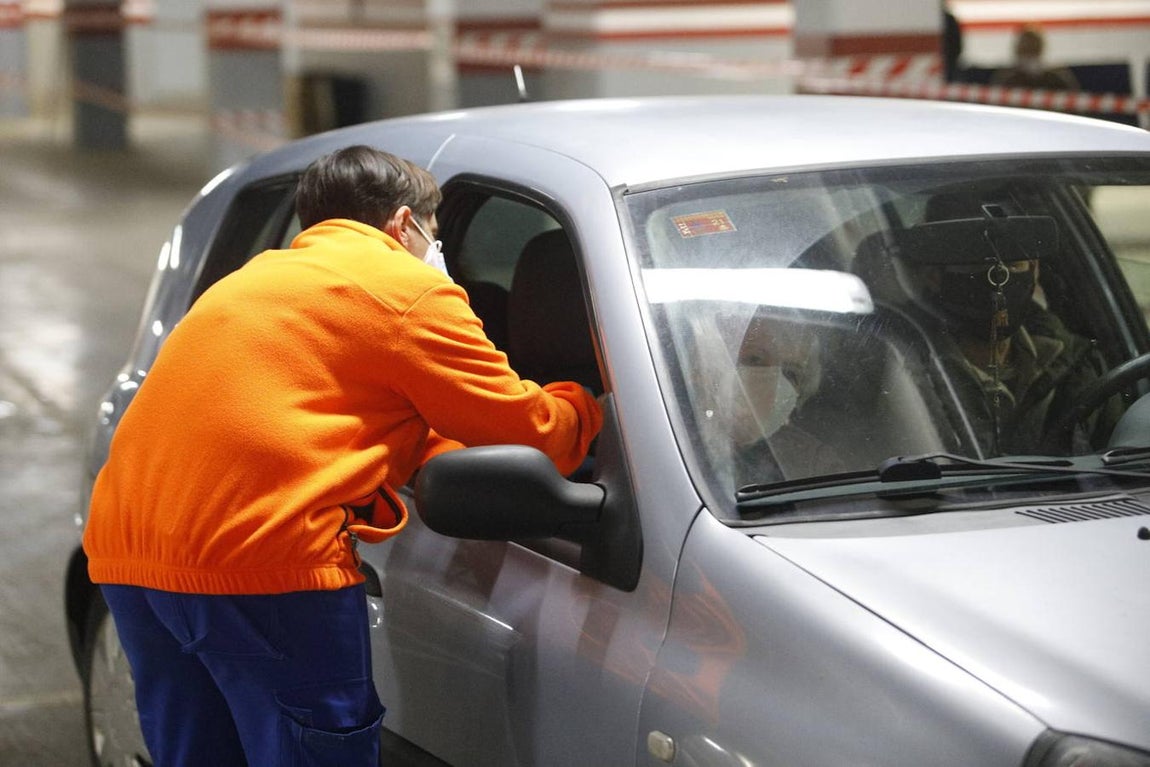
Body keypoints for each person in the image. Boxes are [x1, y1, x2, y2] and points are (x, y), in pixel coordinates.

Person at [82, 145, 603, 767]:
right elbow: (536, 431)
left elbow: (344, 412)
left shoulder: (254, 279)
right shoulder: (405, 290)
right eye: (435, 233)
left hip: (127, 556)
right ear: (405, 224)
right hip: (260, 563)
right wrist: (587, 394)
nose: (436, 250)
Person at [889, 203, 1120, 456]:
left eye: (1013, 263)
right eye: (978, 262)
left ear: (1034, 269)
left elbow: (1119, 462)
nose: (999, 279)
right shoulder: (900, 369)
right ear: (933, 276)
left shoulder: (1079, 366)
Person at [991, 24, 1079, 91]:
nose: (1029, 52)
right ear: (1017, 50)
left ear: (1041, 48)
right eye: (1025, 48)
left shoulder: (1057, 77)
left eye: (1033, 47)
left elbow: (1072, 100)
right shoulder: (1007, 78)